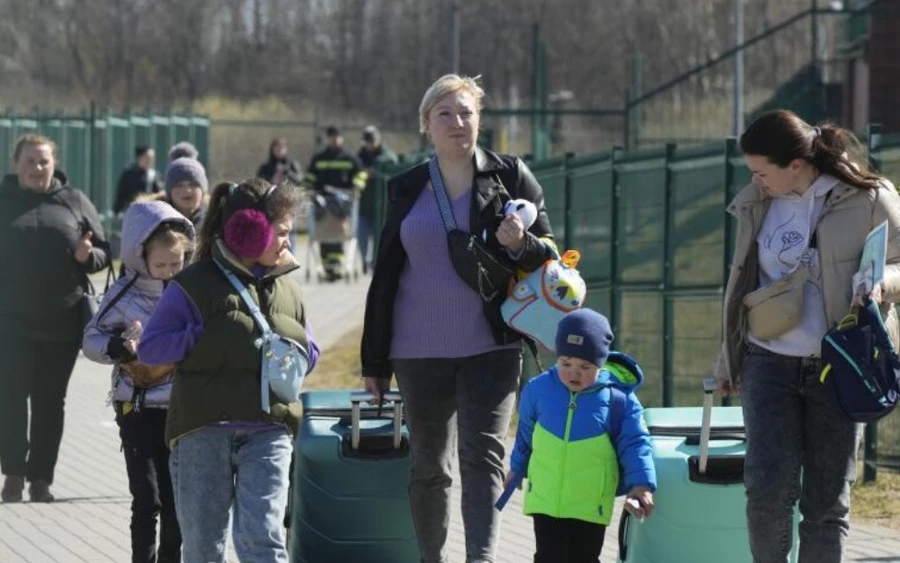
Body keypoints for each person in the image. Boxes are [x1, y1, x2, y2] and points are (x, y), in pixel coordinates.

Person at [360, 74, 558, 563]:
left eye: (466, 112)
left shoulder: (511, 177)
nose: (457, 122)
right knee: (429, 465)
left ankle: (482, 558)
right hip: (417, 351)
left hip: (491, 346)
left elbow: (554, 261)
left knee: (483, 458)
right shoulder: (405, 188)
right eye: (444, 114)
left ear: (480, 121)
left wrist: (522, 244)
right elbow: (385, 276)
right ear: (426, 124)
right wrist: (374, 362)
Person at [716, 109, 900, 563]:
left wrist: (881, 284)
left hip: (839, 366)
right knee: (765, 493)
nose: (756, 181)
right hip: (767, 361)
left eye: (762, 171)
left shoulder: (869, 197)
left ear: (795, 163)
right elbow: (744, 286)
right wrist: (728, 360)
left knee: (825, 502)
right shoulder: (758, 202)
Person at [137, 178, 319, 563]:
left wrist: (296, 351)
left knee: (264, 540)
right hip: (203, 431)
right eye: (282, 232)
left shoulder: (289, 285)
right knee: (204, 549)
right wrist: (204, 338)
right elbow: (152, 349)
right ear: (250, 230)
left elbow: (311, 351)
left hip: (270, 430)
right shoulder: (193, 283)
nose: (289, 241)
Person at [0, 134, 111, 503]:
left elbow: (104, 253)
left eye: (43, 161)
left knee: (50, 402)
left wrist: (86, 256)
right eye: (30, 161)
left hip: (61, 321)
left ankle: (41, 480)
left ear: (54, 164)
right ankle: (13, 475)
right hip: (10, 321)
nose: (37, 168)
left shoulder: (74, 200)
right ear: (16, 164)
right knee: (10, 398)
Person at [82, 200, 194, 563]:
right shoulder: (123, 293)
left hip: (182, 411)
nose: (167, 272)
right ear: (139, 255)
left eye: (176, 264)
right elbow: (91, 340)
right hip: (136, 408)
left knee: (177, 500)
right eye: (160, 264)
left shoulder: (192, 290)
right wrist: (118, 347)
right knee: (147, 499)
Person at [505, 309, 656, 563]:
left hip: (590, 503)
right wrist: (516, 468)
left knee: (583, 558)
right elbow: (525, 435)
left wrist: (641, 485)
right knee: (547, 557)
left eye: (585, 367)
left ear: (601, 362)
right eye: (566, 363)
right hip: (545, 498)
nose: (574, 373)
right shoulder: (538, 389)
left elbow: (636, 443)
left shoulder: (619, 399)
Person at [305, 125, 367, 281]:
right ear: (328, 138)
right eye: (332, 136)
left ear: (341, 138)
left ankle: (337, 267)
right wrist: (308, 189)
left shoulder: (349, 157)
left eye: (337, 136)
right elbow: (309, 178)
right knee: (324, 236)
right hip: (322, 206)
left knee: (339, 234)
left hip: (342, 207)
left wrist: (357, 185)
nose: (335, 139)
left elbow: (361, 174)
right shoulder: (319, 158)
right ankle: (328, 268)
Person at [357, 125, 398, 274]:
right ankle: (365, 261)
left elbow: (392, 160)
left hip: (381, 206)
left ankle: (376, 264)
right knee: (361, 235)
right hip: (364, 205)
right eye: (367, 141)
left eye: (372, 141)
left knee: (379, 238)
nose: (370, 144)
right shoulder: (361, 154)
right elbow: (356, 166)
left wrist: (375, 168)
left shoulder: (385, 153)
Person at [113, 146, 163, 215]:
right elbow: (121, 195)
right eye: (146, 158)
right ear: (139, 158)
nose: (149, 161)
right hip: (134, 212)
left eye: (151, 158)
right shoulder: (129, 175)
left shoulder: (155, 176)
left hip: (151, 213)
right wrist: (116, 211)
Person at [163, 156, 208, 227]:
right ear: (169, 192)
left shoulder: (214, 223)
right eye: (179, 185)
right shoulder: (158, 225)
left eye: (193, 185)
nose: (187, 190)